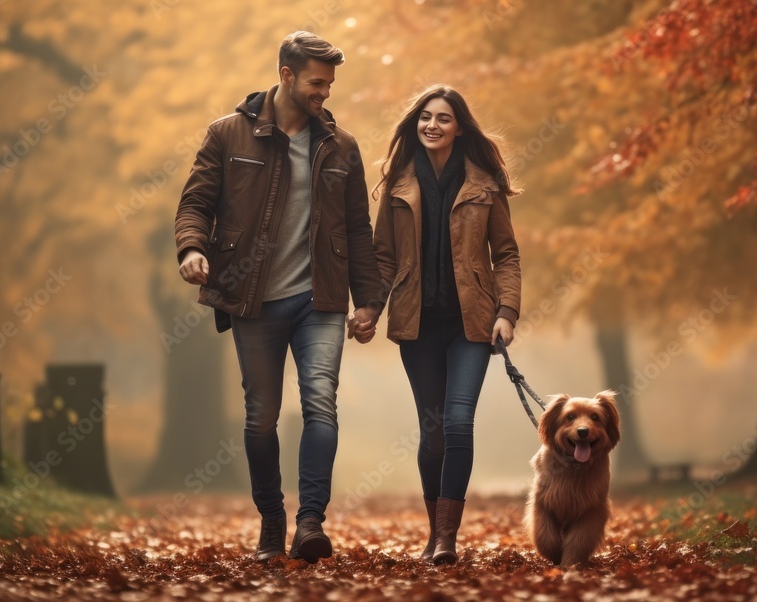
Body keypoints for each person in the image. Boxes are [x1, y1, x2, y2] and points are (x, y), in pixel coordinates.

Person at [175, 31, 382, 564]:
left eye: (330, 84)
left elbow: (359, 230)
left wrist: (368, 301)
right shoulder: (227, 134)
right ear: (286, 75)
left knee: (320, 403)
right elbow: (196, 202)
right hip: (253, 300)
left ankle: (310, 521)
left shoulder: (342, 146)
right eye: (317, 82)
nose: (325, 93)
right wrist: (191, 249)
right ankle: (272, 518)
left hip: (322, 299)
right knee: (260, 417)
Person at [355, 84, 521, 565]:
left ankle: (447, 539)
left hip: (473, 323)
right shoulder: (397, 185)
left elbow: (506, 254)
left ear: (460, 126)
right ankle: (435, 534)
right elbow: (384, 258)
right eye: (425, 116)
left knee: (458, 422)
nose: (433, 125)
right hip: (418, 323)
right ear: (415, 123)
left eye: (443, 118)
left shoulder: (485, 184)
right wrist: (370, 309)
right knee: (431, 431)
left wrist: (506, 313)